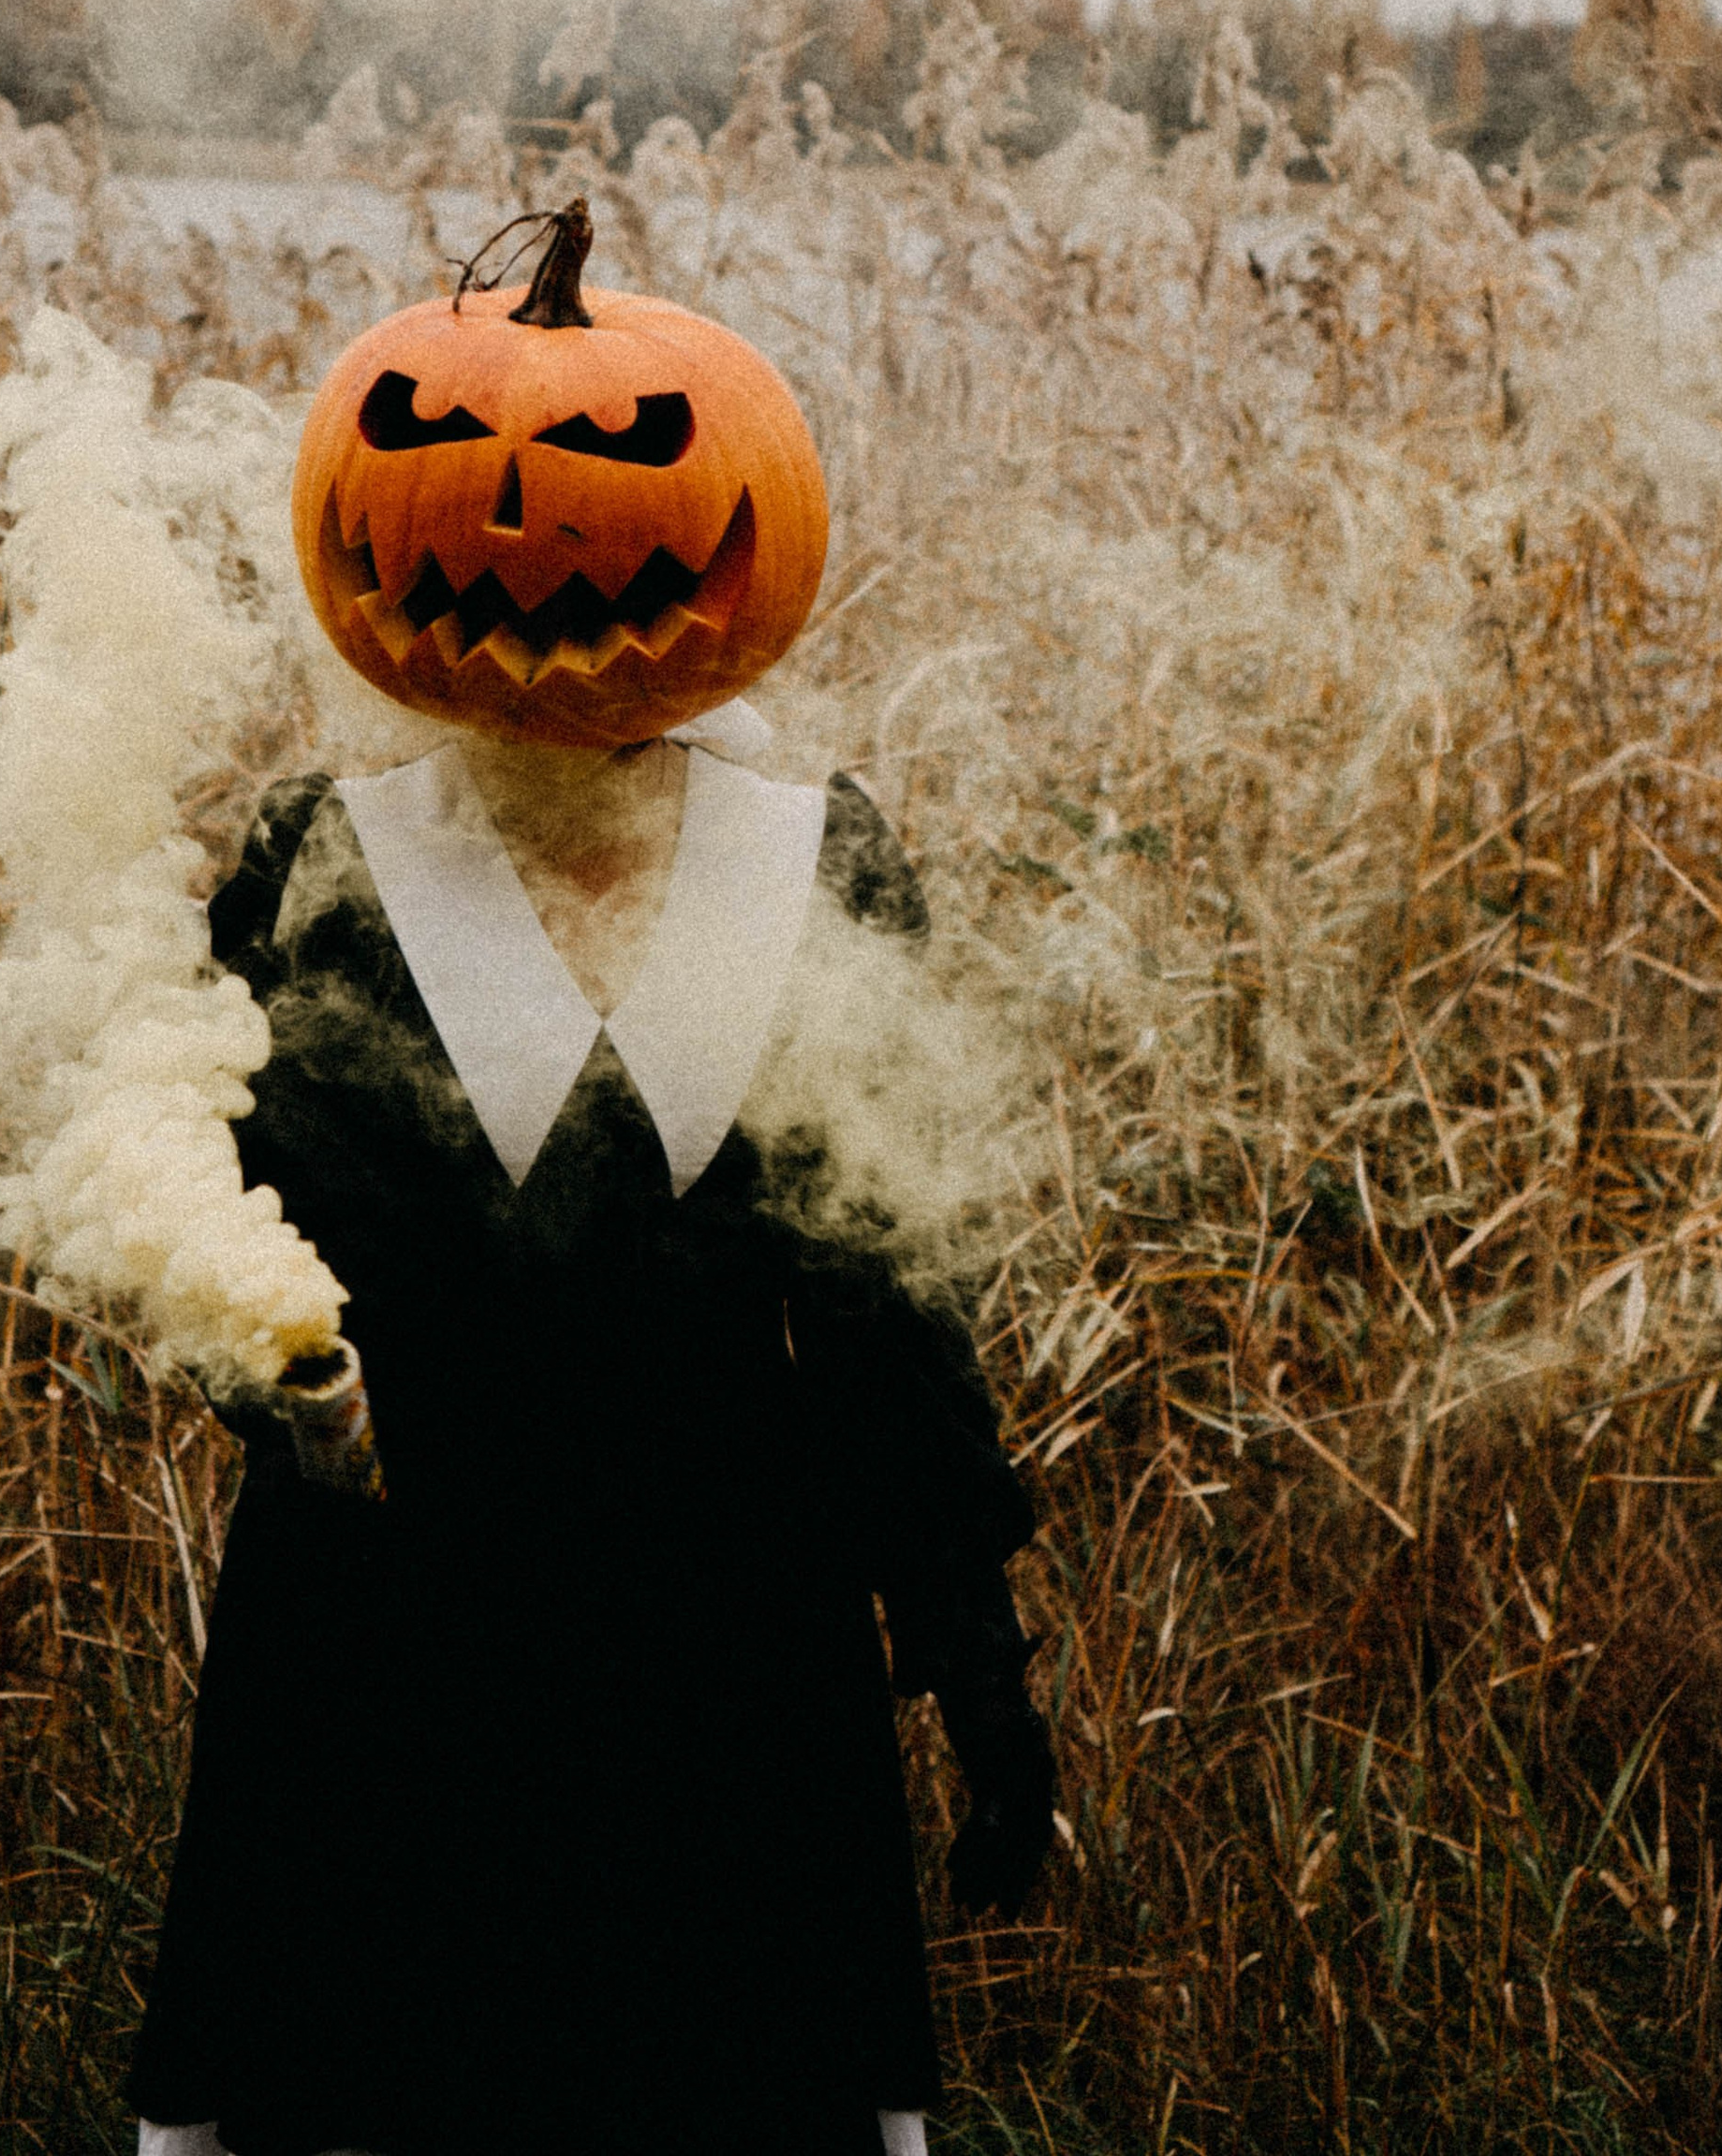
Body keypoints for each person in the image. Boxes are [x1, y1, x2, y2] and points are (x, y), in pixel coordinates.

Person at [124, 709, 1055, 2156]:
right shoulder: (319, 853)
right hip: (394, 1615)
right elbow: (222, 1234)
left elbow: (885, 1295)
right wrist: (279, 1391)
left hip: (726, 1628)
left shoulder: (815, 857)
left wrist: (977, 1659)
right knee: (378, 2092)